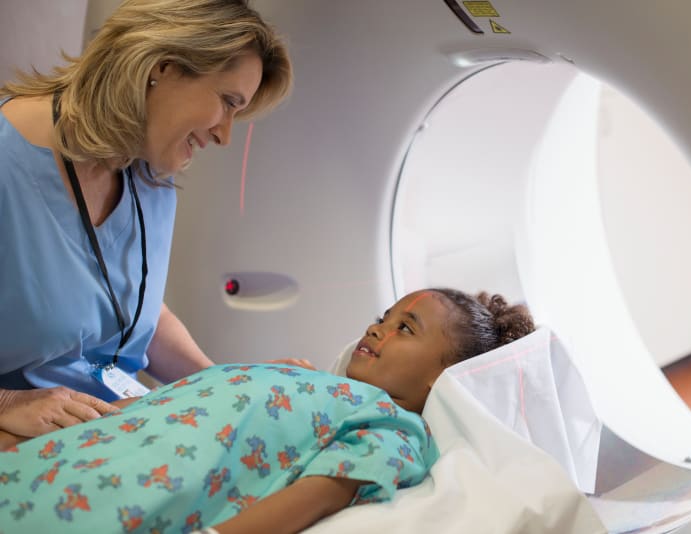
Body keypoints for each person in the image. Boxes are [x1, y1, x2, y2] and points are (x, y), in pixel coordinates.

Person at [0, 288, 534, 534]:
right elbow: (177, 404)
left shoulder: (395, 426)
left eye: (405, 329)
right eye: (383, 316)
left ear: (441, 379)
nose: (377, 329)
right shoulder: (306, 376)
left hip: (127, 492)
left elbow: (324, 490)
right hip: (86, 442)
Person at [0, 0, 292, 443]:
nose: (225, 135)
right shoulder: (7, 162)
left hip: (114, 422)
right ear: (163, 67)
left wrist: (228, 388)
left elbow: (136, 308)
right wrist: (8, 403)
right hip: (31, 434)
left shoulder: (147, 173)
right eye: (227, 103)